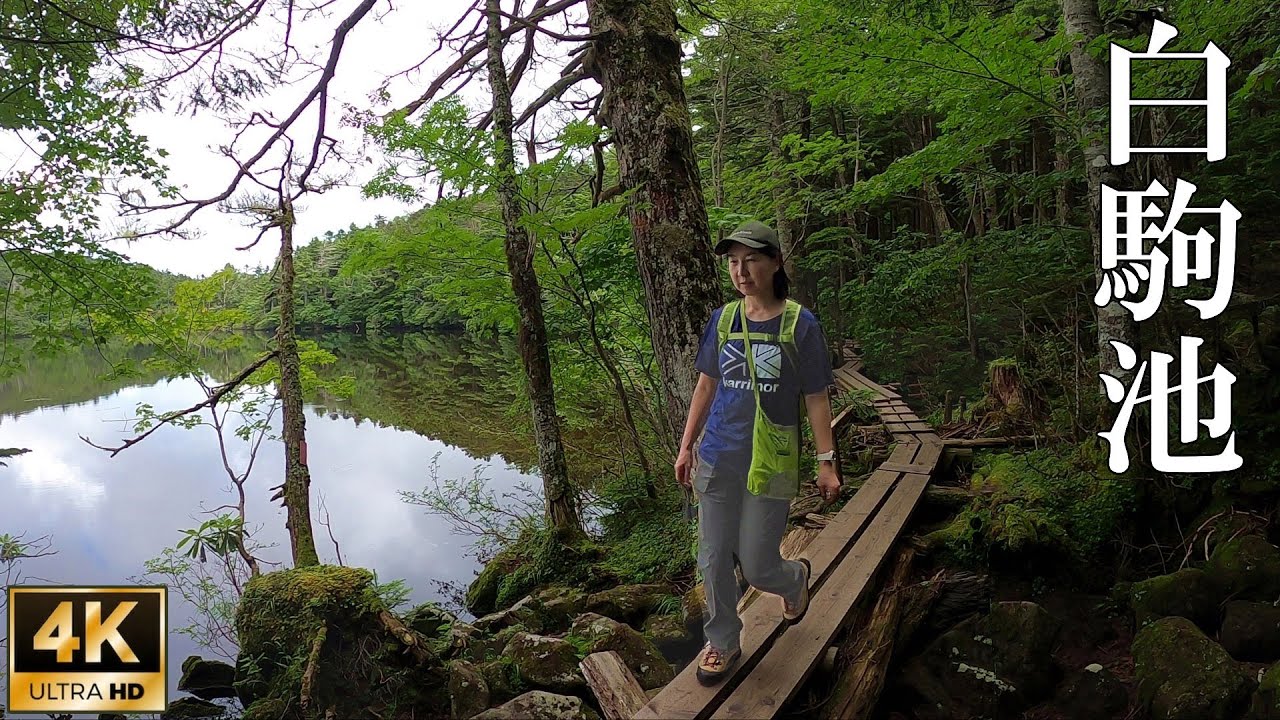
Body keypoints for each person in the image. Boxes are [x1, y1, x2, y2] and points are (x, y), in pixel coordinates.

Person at [675, 220, 841, 686]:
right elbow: (706, 384)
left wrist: (826, 462)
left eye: (751, 260)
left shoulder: (799, 324)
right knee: (711, 557)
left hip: (771, 458)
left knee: (758, 564)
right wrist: (687, 445)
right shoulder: (723, 319)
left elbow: (816, 396)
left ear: (775, 263)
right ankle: (723, 641)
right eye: (733, 262)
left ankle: (792, 580)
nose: (741, 271)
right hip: (718, 454)